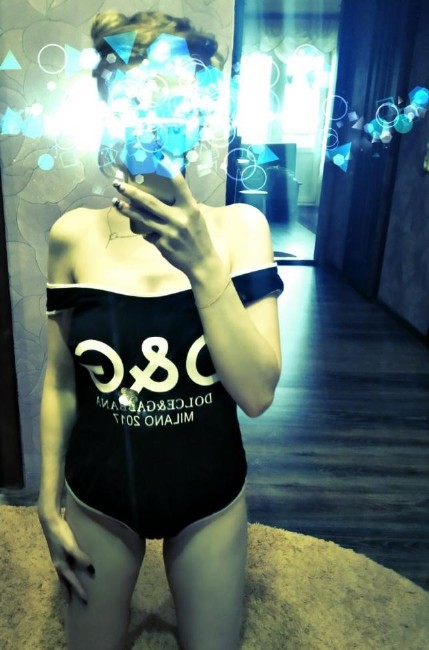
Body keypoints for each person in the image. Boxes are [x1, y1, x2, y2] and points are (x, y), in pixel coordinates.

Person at [37, 10, 283, 650]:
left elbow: (258, 394)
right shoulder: (72, 237)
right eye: (134, 96)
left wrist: (204, 266)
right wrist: (45, 498)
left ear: (199, 117)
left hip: (209, 494)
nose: (152, 115)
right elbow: (60, 383)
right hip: (98, 493)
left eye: (174, 97)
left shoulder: (242, 231)